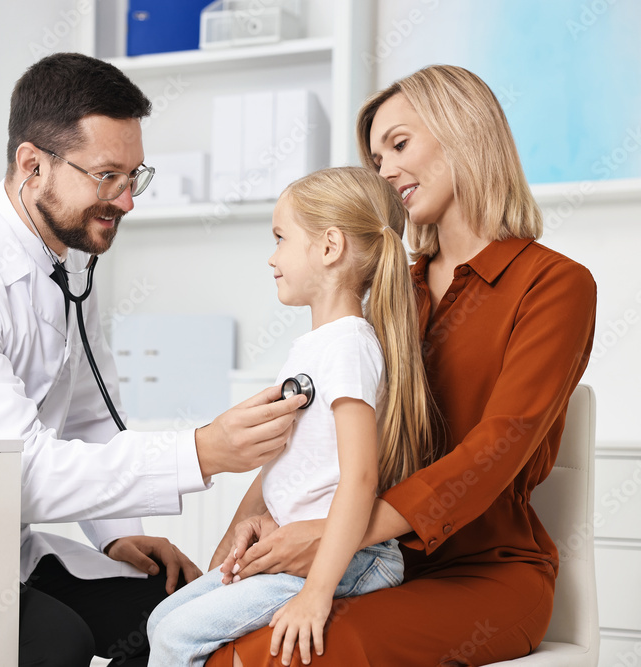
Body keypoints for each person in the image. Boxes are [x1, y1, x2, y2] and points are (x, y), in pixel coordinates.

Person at [0, 52, 305, 667]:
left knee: (181, 612)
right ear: (33, 165)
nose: (128, 201)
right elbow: (15, 472)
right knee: (58, 642)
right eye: (108, 176)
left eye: (135, 176)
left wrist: (118, 532)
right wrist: (201, 450)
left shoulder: (67, 264)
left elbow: (88, 417)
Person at [206, 64, 597, 666]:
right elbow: (329, 428)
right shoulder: (392, 293)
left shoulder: (555, 286)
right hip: (373, 564)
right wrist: (252, 517)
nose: (384, 170)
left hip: (486, 577)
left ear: (464, 132)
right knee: (223, 642)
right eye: (375, 157)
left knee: (296, 653)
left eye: (399, 144)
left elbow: (495, 450)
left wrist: (335, 534)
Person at [145, 166, 435, 666]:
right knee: (159, 621)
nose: (272, 257)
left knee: (176, 637)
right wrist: (226, 555)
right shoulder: (315, 347)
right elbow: (285, 462)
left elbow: (361, 479)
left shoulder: (348, 346)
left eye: (281, 238)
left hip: (347, 561)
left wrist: (316, 595)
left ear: (329, 247)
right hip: (295, 549)